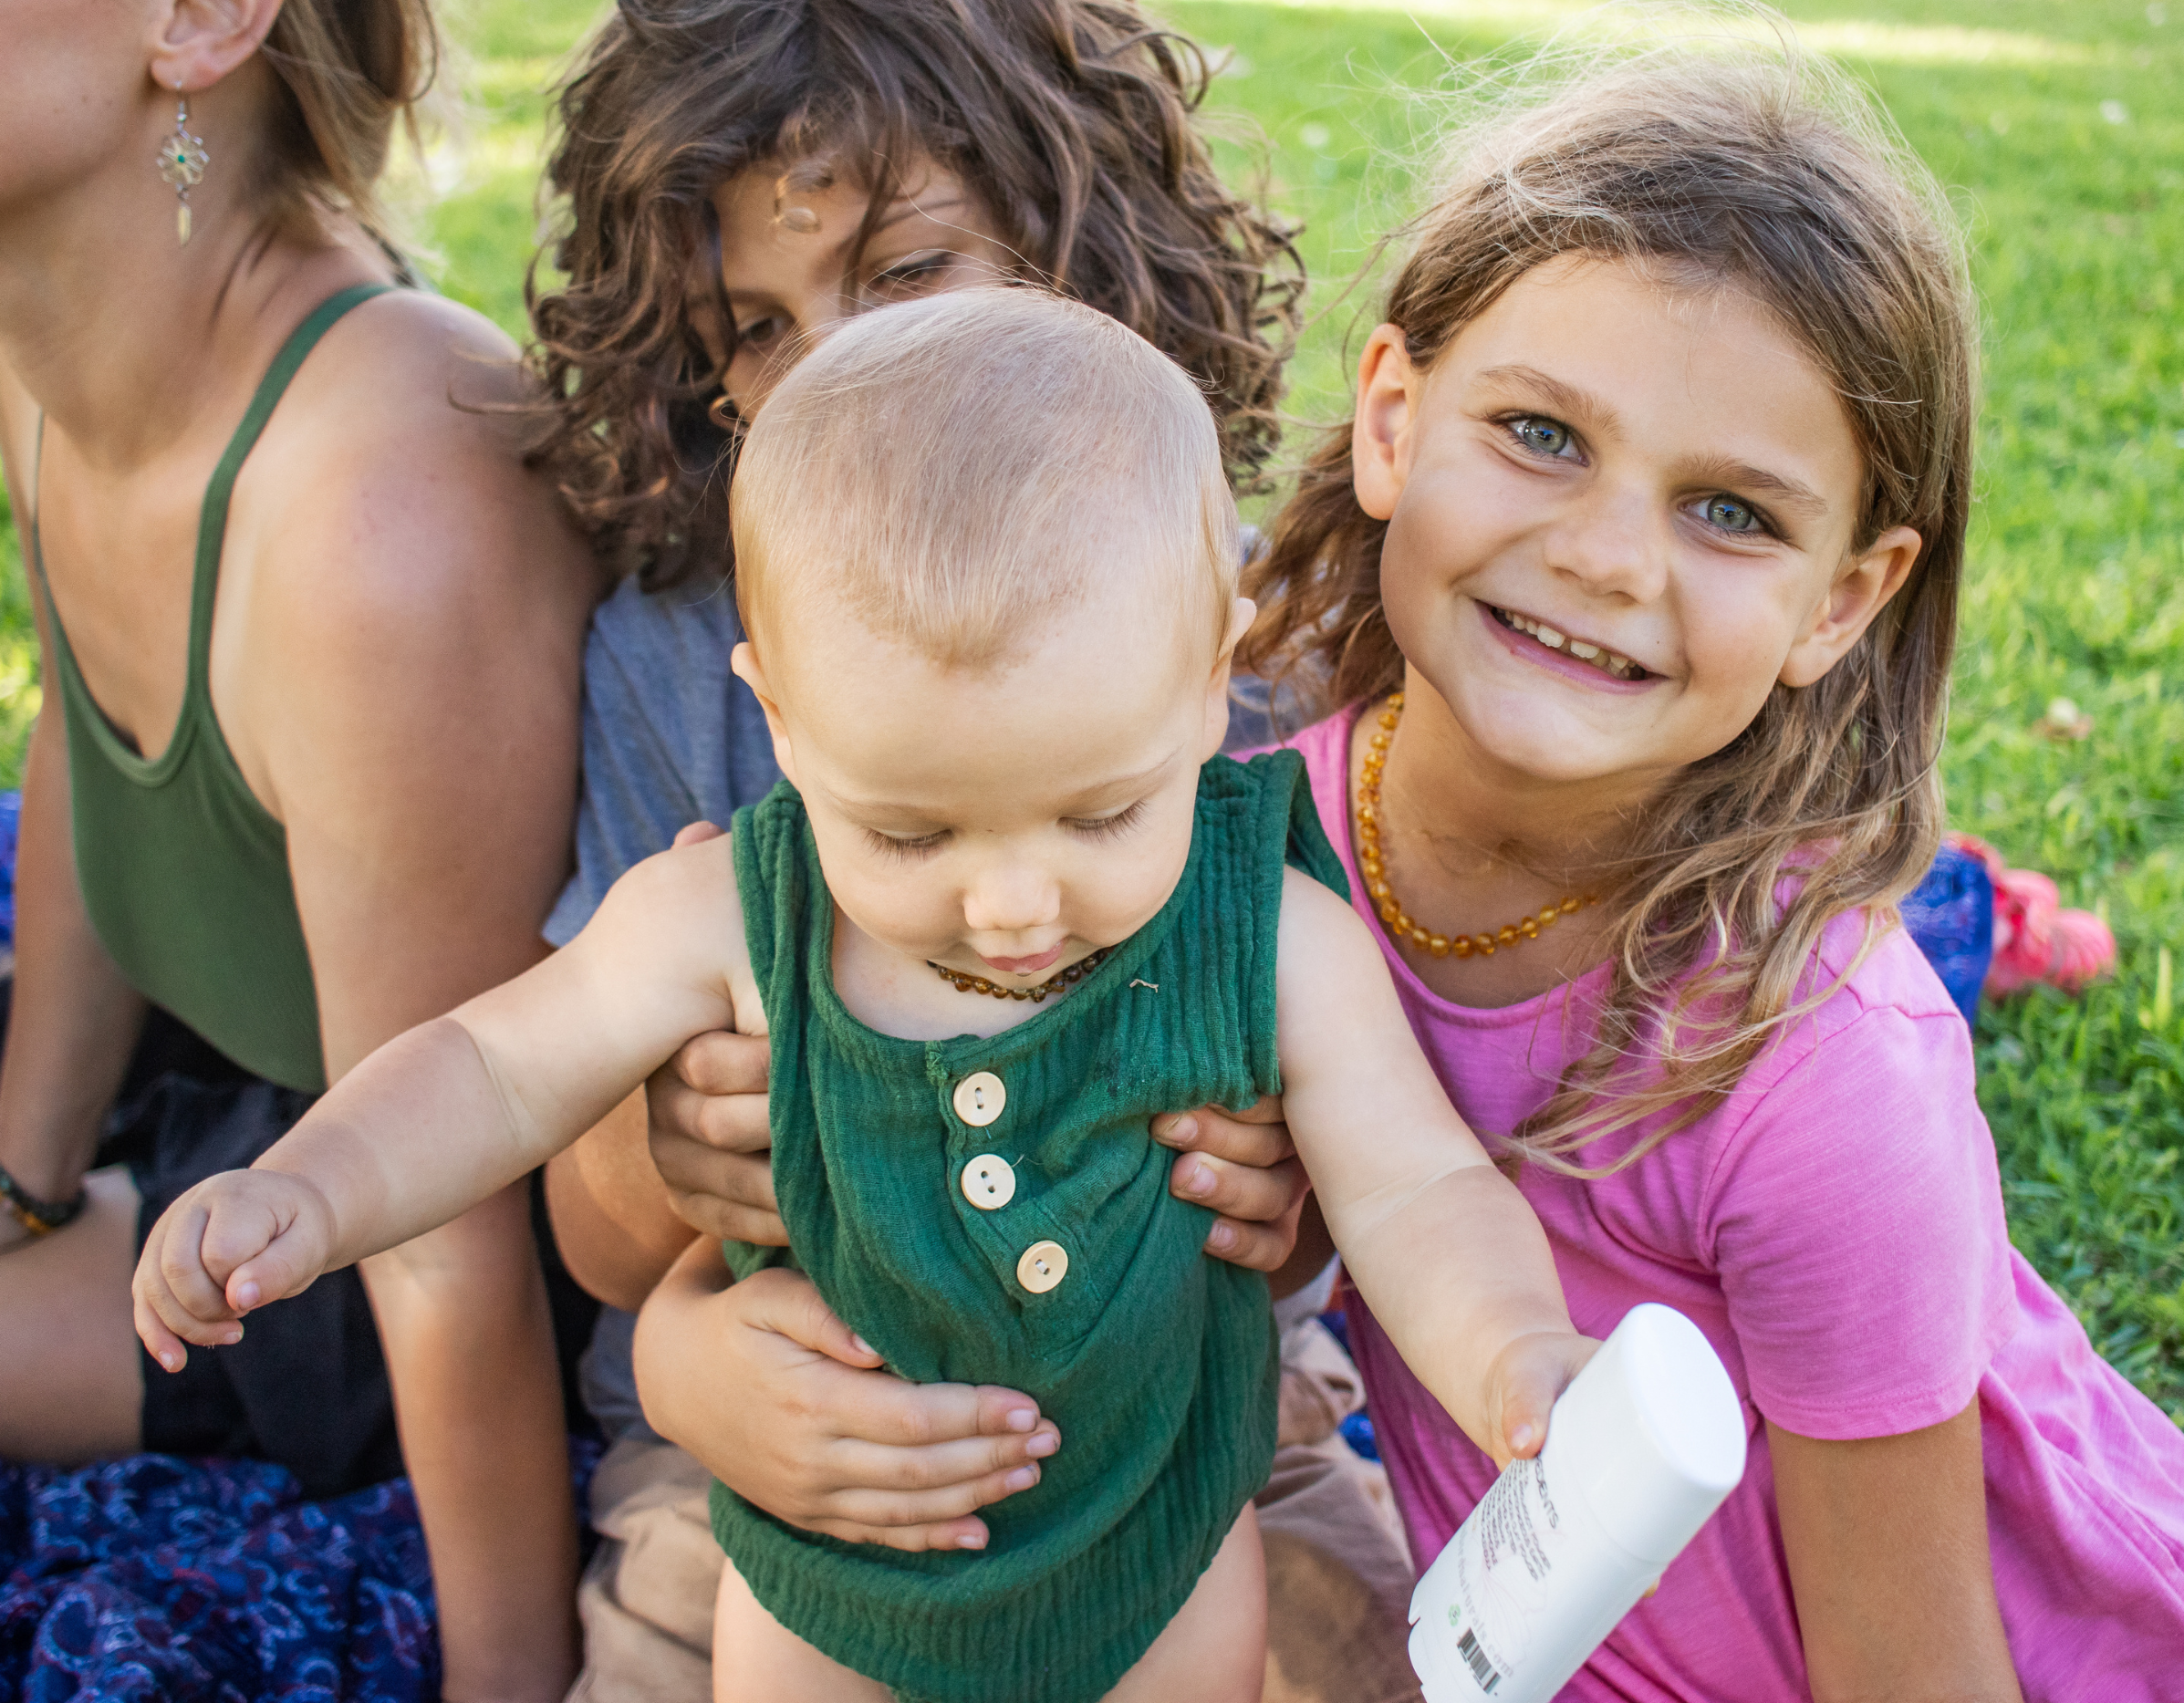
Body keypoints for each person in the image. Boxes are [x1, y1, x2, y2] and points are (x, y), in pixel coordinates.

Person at [135, 289, 1596, 1703]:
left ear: (1215, 677)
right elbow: (497, 1070)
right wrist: (310, 1187)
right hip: (836, 1576)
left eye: (1100, 816)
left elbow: (1413, 1192)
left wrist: (1514, 1354)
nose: (1015, 904)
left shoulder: (1270, 934)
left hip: (1155, 1553)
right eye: (911, 833)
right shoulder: (728, 915)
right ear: (780, 716)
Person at [1220, 6, 2184, 1699]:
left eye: (1729, 511)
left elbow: (1916, 1674)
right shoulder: (1259, 847)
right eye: (1540, 433)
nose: (1603, 556)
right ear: (1392, 416)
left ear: (1842, 601)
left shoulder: (1816, 1070)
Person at [514, 0, 1391, 1693]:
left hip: (1204, 1448)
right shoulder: (684, 662)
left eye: (905, 273)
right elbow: (585, 1222)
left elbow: (1403, 1151)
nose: (837, 365)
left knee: (1368, 1650)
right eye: (755, 325)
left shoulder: (1251, 642)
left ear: (1089, 245)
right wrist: (676, 1267)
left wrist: (1305, 1177)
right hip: (778, 1459)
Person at [0, 0, 603, 1694]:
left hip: (419, 1149)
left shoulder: (380, 509)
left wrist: (510, 1674)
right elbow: (90, 744)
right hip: (249, 979)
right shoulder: (69, 311)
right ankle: (77, 1174)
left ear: (200, 8)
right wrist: (20, 1166)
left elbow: (452, 1201)